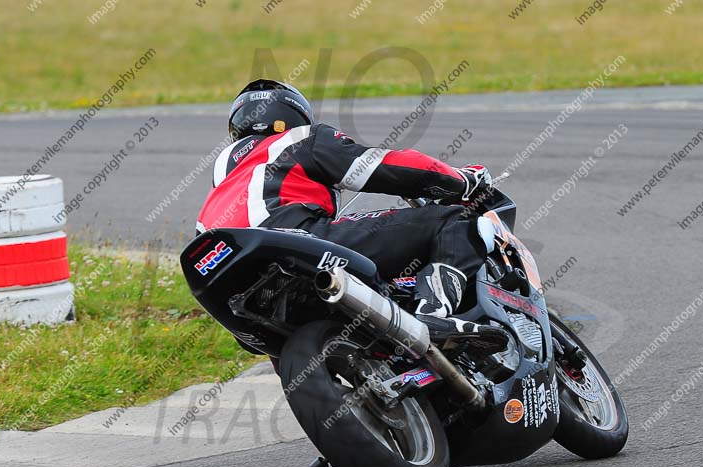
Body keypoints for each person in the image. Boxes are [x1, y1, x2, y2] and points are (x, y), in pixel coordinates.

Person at [196, 79, 495, 338]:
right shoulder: (299, 139)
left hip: (224, 275)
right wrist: (461, 180)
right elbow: (378, 165)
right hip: (294, 238)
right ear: (294, 116)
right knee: (462, 222)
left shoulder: (223, 172)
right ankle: (433, 314)